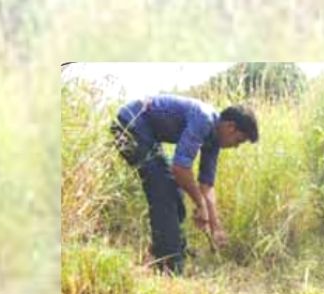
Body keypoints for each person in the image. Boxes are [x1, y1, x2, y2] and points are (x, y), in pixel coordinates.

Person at [110, 94, 258, 275]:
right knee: (164, 189)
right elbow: (180, 168)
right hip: (129, 125)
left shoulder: (214, 140)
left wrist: (215, 226)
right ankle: (169, 264)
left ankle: (168, 252)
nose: (236, 147)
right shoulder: (203, 119)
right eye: (239, 141)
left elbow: (207, 186)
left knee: (174, 190)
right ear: (230, 127)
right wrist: (199, 203)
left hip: (146, 134)